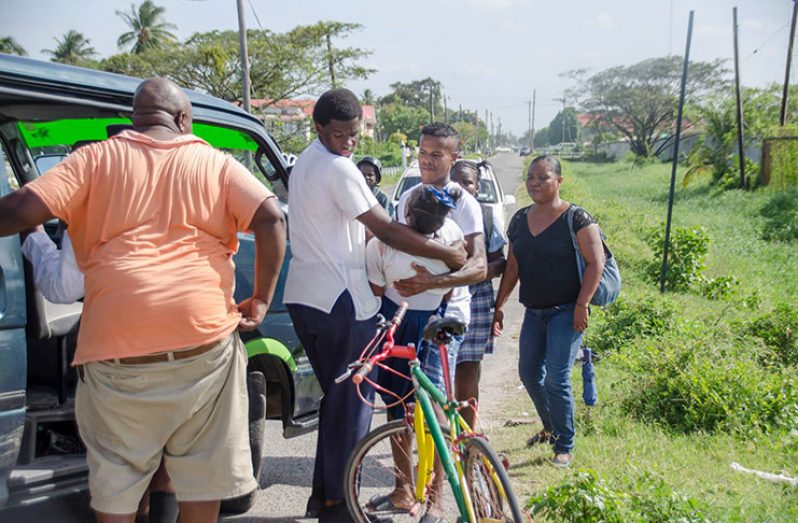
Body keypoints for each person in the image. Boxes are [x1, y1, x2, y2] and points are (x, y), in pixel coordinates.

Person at [0, 77, 286, 522]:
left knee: (116, 480)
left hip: (117, 356)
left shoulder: (94, 159)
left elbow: (19, 212)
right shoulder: (214, 162)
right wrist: (261, 300)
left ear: (135, 119)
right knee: (203, 477)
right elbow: (271, 217)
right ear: (183, 119)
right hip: (203, 349)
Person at [283, 88, 466, 523]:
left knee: (337, 399)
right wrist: (447, 254)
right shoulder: (338, 169)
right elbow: (384, 229)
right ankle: (341, 508)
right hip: (338, 299)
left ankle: (326, 498)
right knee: (354, 404)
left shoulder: (307, 161)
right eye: (340, 133)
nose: (349, 141)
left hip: (306, 297)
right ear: (319, 128)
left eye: (353, 133)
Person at [492, 155, 605, 468]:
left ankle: (564, 445)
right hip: (534, 312)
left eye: (543, 177)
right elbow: (513, 266)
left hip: (567, 312)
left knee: (556, 378)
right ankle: (551, 426)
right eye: (531, 177)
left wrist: (582, 305)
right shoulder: (519, 219)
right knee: (529, 373)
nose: (534, 183)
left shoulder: (577, 218)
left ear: (559, 181)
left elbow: (597, 263)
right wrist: (498, 306)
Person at [393, 123, 487, 400]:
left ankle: (450, 443)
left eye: (436, 154)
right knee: (402, 403)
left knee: (434, 398)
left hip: (445, 316)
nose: (426, 160)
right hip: (406, 314)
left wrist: (433, 282)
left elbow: (479, 266)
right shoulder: (408, 198)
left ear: (453, 158)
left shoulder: (464, 203)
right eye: (423, 152)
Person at [449, 159, 507, 428]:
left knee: (468, 367)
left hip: (477, 298)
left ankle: (467, 435)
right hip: (440, 297)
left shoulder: (485, 216)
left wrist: (474, 273)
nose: (460, 187)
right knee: (439, 372)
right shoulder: (434, 211)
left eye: (467, 182)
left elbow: (500, 261)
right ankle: (440, 439)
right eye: (455, 181)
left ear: (477, 186)